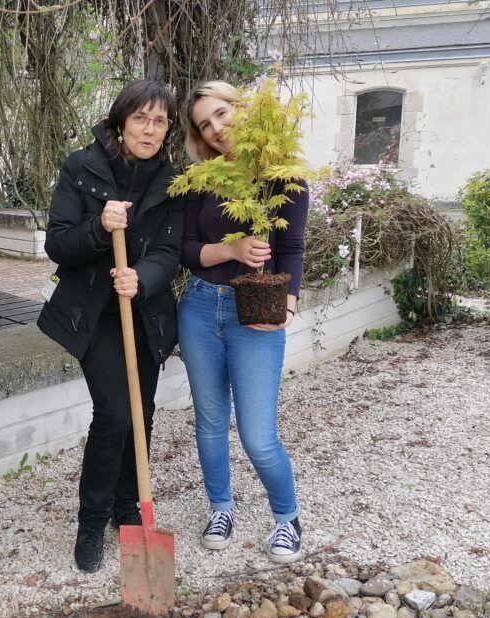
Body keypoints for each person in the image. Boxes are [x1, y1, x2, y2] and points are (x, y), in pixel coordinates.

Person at [37, 80, 183, 573]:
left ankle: (128, 508)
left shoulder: (172, 179)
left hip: (146, 313)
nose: (150, 128)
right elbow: (58, 244)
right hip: (94, 315)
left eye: (160, 120)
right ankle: (91, 521)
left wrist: (144, 277)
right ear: (121, 123)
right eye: (141, 118)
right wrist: (100, 227)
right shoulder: (82, 167)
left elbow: (171, 252)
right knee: (116, 414)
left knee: (141, 415)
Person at [178, 81, 309, 564]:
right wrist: (231, 250)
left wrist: (288, 307)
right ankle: (220, 508)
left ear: (242, 110)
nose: (215, 130)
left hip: (254, 312)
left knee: (258, 434)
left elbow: (291, 250)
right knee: (210, 423)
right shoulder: (201, 179)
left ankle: (286, 517)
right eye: (204, 125)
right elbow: (188, 250)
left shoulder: (284, 177)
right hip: (197, 308)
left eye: (220, 115)